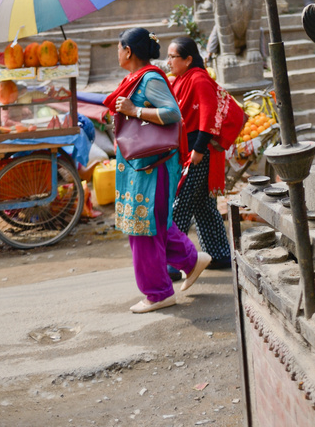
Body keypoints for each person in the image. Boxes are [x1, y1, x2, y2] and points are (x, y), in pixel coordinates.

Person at [103, 27, 210, 312]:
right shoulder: (135, 78)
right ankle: (191, 260)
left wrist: (134, 111)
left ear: (128, 51)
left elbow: (172, 113)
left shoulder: (149, 78)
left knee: (144, 228)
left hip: (154, 165)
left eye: (118, 46)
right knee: (151, 224)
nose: (117, 52)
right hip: (140, 165)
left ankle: (159, 293)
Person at [166, 37, 244, 274]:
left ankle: (173, 261)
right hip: (192, 151)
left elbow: (208, 118)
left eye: (172, 57)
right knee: (203, 206)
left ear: (188, 59)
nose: (168, 61)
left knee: (180, 206)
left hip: (198, 153)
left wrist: (198, 150)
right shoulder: (182, 79)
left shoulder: (198, 79)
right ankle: (219, 255)